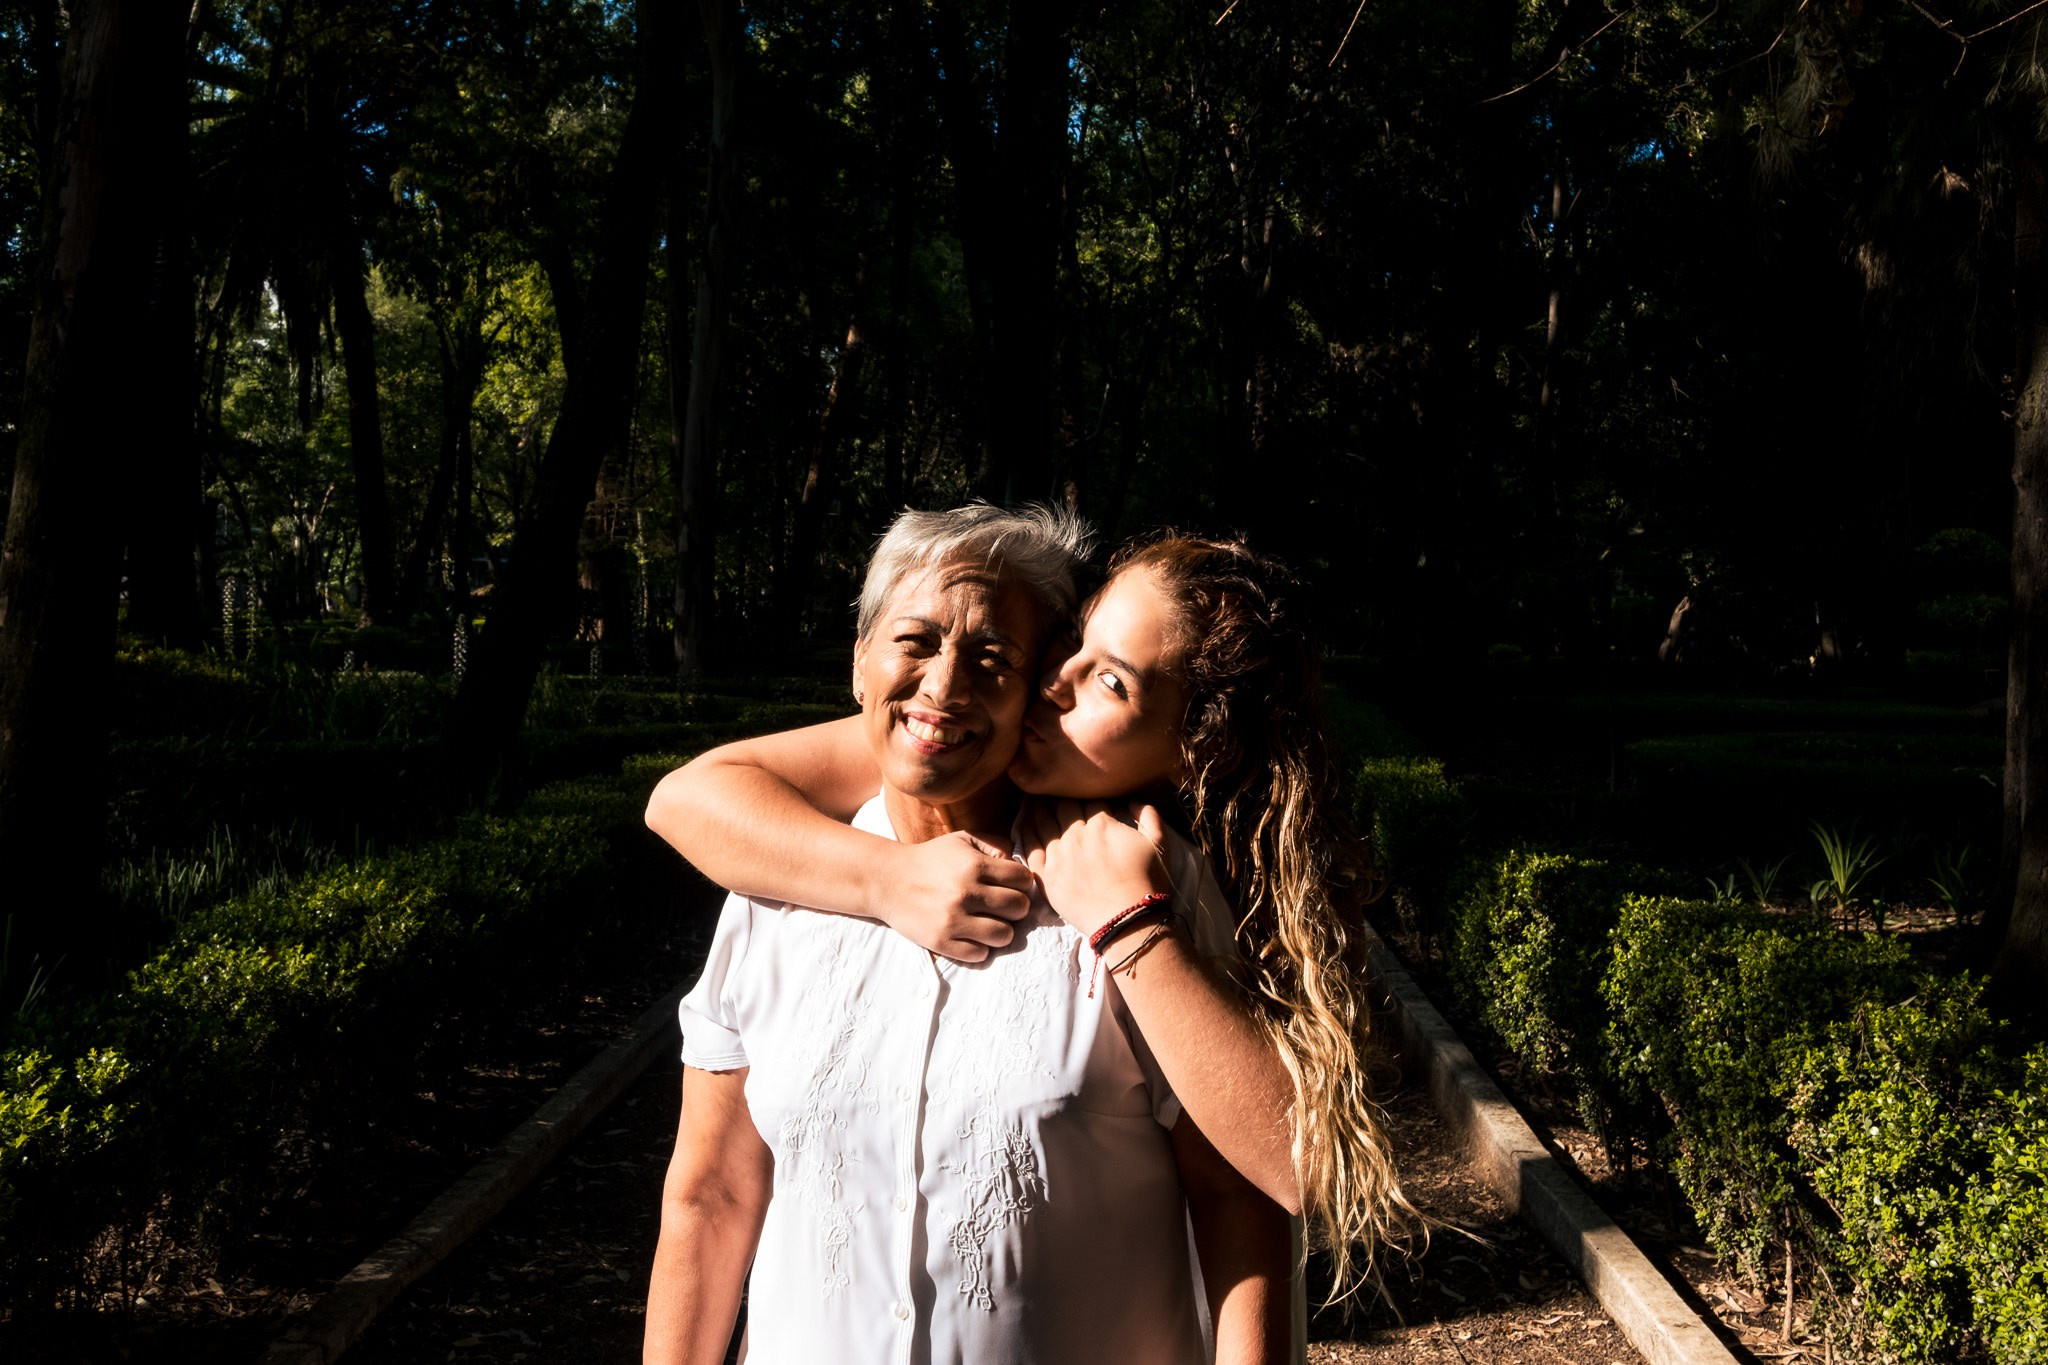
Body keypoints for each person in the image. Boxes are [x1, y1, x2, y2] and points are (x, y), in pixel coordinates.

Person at [645, 521, 1412, 1330]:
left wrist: (1131, 928)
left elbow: (1266, 1182)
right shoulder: (783, 869)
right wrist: (889, 877)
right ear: (858, 659)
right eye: (1071, 647)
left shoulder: (1156, 882)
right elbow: (710, 1193)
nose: (949, 686)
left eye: (1001, 659)